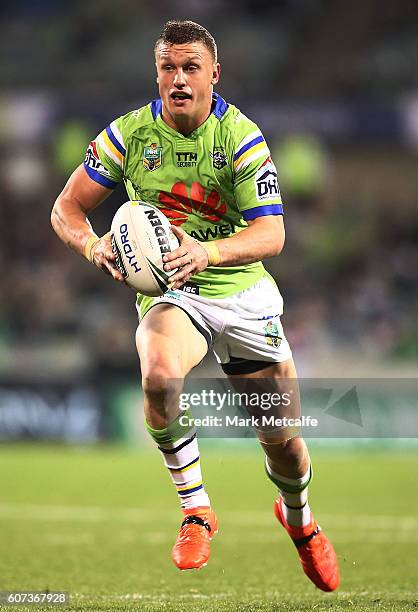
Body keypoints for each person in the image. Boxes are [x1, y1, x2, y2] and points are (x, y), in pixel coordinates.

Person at [51, 20, 339, 590]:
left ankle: (300, 522)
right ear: (156, 72)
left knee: (284, 446)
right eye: (168, 68)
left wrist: (208, 253)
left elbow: (272, 235)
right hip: (174, 294)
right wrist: (93, 244)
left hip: (241, 290)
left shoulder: (240, 138)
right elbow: (66, 208)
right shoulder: (129, 136)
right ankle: (196, 509)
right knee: (158, 376)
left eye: (190, 68)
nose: (178, 79)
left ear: (214, 75)